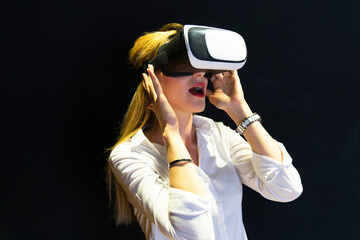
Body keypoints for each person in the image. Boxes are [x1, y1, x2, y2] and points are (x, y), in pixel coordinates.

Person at [107, 23, 303, 240]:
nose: (200, 74)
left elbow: (287, 188)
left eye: (201, 68)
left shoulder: (216, 135)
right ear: (151, 79)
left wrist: (239, 109)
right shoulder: (130, 156)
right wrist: (171, 134)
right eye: (184, 65)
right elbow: (192, 234)